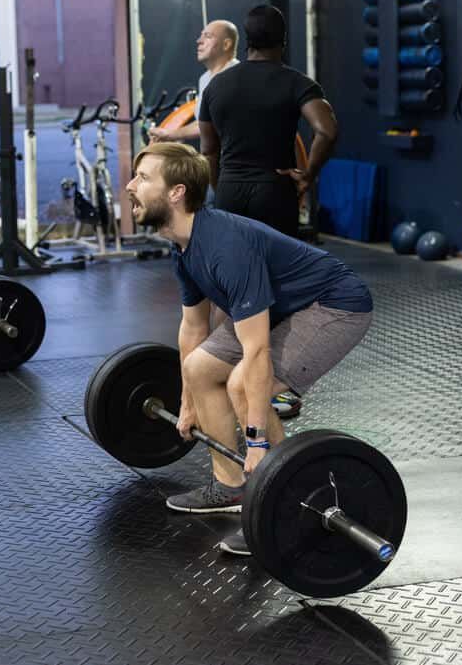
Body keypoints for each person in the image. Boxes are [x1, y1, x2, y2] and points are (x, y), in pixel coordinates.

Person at [125, 141, 373, 555]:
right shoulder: (186, 247)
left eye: (143, 177)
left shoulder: (225, 246)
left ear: (177, 192)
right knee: (201, 368)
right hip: (280, 306)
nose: (130, 185)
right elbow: (193, 328)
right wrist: (188, 402)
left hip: (333, 305)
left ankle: (287, 504)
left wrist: (256, 443)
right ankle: (230, 487)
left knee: (243, 384)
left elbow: (255, 353)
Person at [198, 4, 338, 239]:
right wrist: (308, 175)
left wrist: (219, 187)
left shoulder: (216, 86)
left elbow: (208, 150)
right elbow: (326, 131)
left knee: (235, 267)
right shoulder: (297, 83)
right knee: (277, 269)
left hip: (230, 189)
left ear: (247, 40)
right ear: (283, 41)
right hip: (274, 190)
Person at [149, 20, 239, 144]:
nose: (199, 41)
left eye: (207, 36)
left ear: (226, 44)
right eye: (201, 36)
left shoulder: (236, 76)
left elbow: (211, 125)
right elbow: (202, 122)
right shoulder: (204, 79)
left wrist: (171, 135)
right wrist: (169, 136)